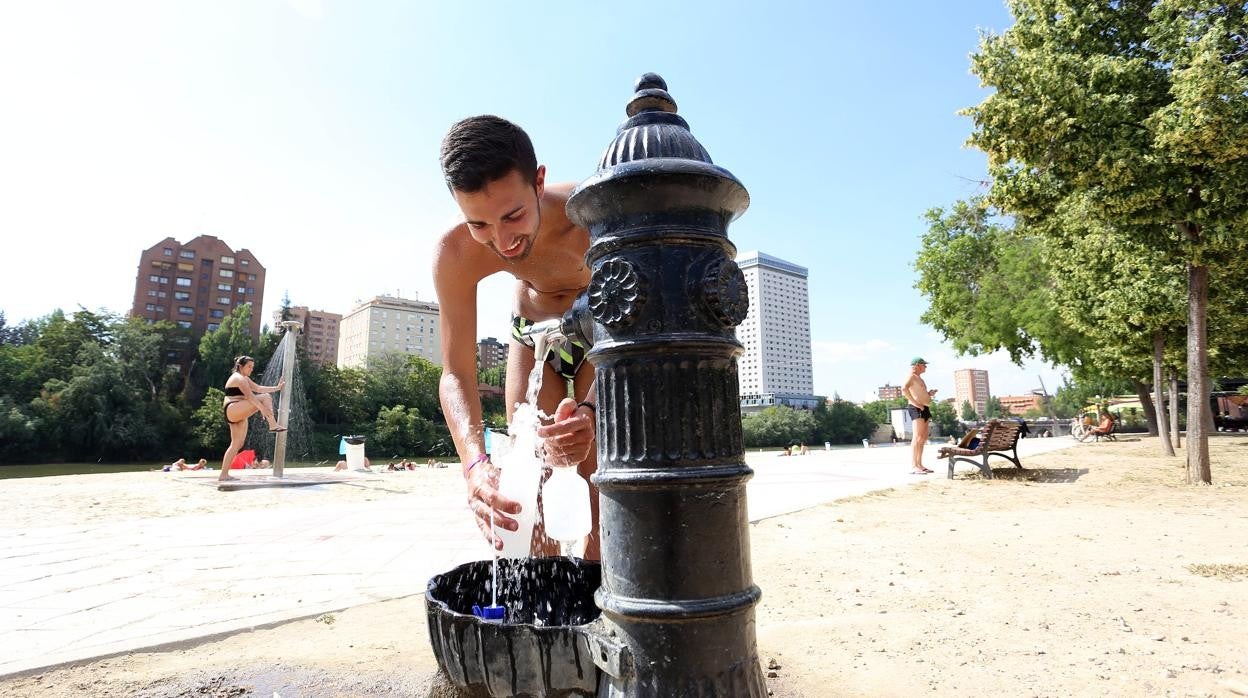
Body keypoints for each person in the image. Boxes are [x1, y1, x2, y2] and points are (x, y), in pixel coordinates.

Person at [433, 116, 598, 559]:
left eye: (513, 216)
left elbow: (641, 318)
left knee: (596, 482)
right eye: (480, 224)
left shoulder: (595, 216)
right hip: (534, 334)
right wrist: (473, 465)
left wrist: (592, 409)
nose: (502, 241)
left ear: (539, 181)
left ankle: (600, 605)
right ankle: (543, 616)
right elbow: (455, 373)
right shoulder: (456, 251)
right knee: (529, 491)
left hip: (603, 334)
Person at [218, 356, 285, 483]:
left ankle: (224, 474)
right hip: (233, 409)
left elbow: (258, 388)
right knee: (265, 398)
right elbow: (251, 397)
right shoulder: (239, 378)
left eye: (252, 367)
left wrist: (277, 388)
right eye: (249, 367)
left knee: (236, 445)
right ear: (240, 366)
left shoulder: (245, 378)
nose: (251, 369)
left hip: (236, 411)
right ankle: (273, 424)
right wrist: (262, 409)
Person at [902, 357, 937, 474]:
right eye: (924, 365)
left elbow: (920, 393)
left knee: (923, 437)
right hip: (916, 408)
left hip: (925, 408)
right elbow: (904, 389)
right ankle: (914, 466)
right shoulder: (911, 376)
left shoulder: (919, 378)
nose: (926, 367)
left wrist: (929, 394)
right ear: (917, 365)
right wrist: (916, 403)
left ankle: (920, 464)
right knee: (917, 437)